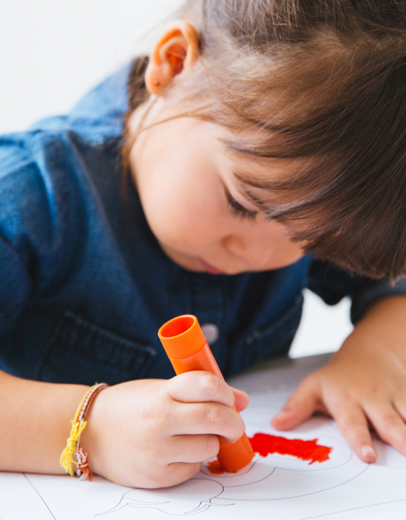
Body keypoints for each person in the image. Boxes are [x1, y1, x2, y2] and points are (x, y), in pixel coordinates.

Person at [1, 0, 406, 489]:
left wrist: (380, 351)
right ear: (171, 66)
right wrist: (90, 431)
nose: (259, 256)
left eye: (306, 238)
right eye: (240, 203)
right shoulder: (27, 196)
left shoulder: (315, 187)